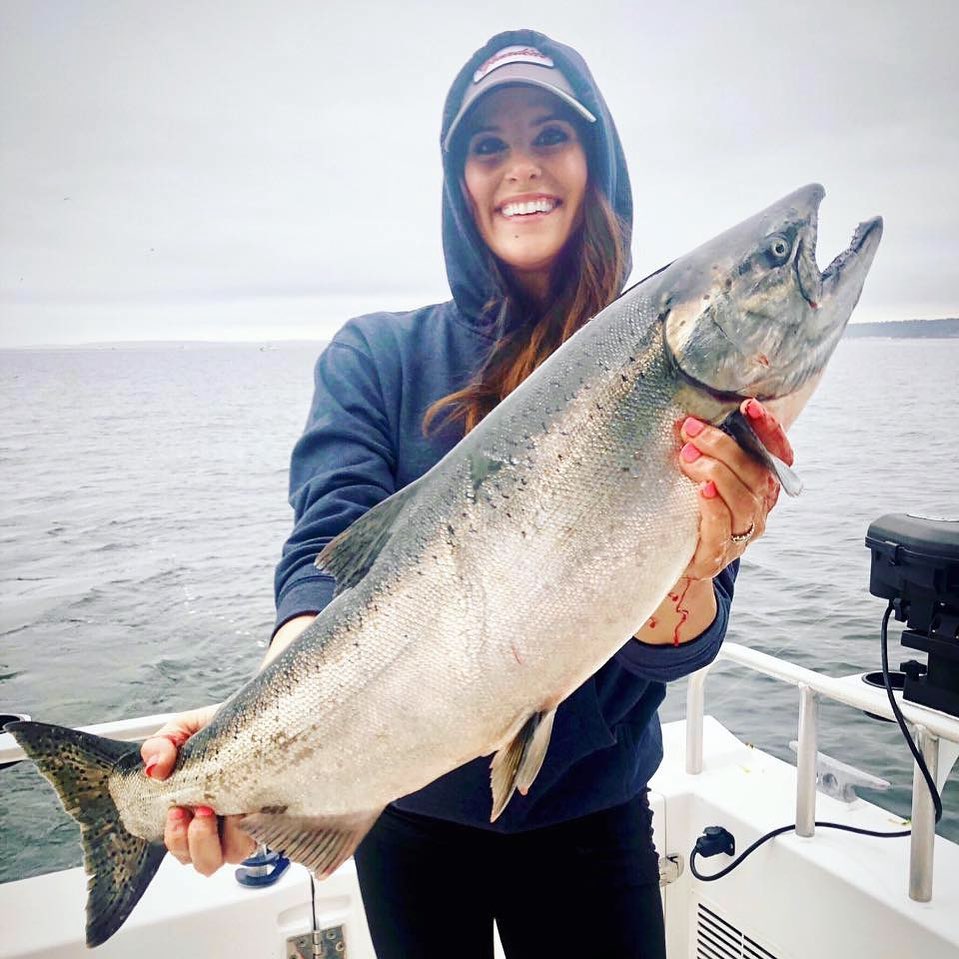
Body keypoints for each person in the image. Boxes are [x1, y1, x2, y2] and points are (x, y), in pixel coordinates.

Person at [141, 28, 793, 959]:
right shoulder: (376, 356)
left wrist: (697, 568)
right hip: (404, 812)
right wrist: (269, 732)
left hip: (591, 815)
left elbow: (678, 645)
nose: (520, 166)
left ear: (594, 160)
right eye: (487, 145)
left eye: (550, 136)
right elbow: (324, 558)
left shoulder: (673, 368)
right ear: (457, 182)